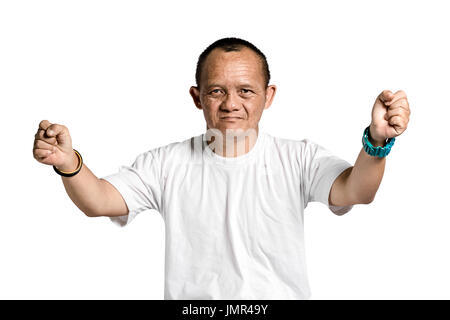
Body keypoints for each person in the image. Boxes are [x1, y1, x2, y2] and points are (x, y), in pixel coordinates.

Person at [32, 37, 411, 299]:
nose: (231, 103)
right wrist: (69, 163)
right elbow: (99, 200)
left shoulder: (300, 159)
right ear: (197, 97)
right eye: (217, 91)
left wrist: (377, 143)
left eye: (245, 90)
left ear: (269, 96)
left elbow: (356, 191)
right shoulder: (166, 163)